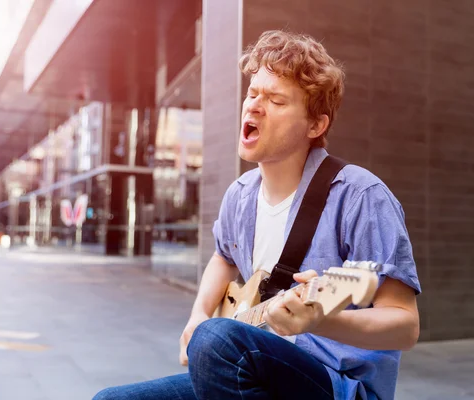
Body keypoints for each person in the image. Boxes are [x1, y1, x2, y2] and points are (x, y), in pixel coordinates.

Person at [93, 30, 421, 400]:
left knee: (216, 340)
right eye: (253, 94)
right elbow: (223, 256)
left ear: (315, 125)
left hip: (337, 385)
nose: (254, 106)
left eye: (277, 100)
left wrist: (323, 320)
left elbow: (405, 325)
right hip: (251, 369)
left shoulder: (361, 197)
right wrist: (199, 313)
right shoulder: (240, 195)